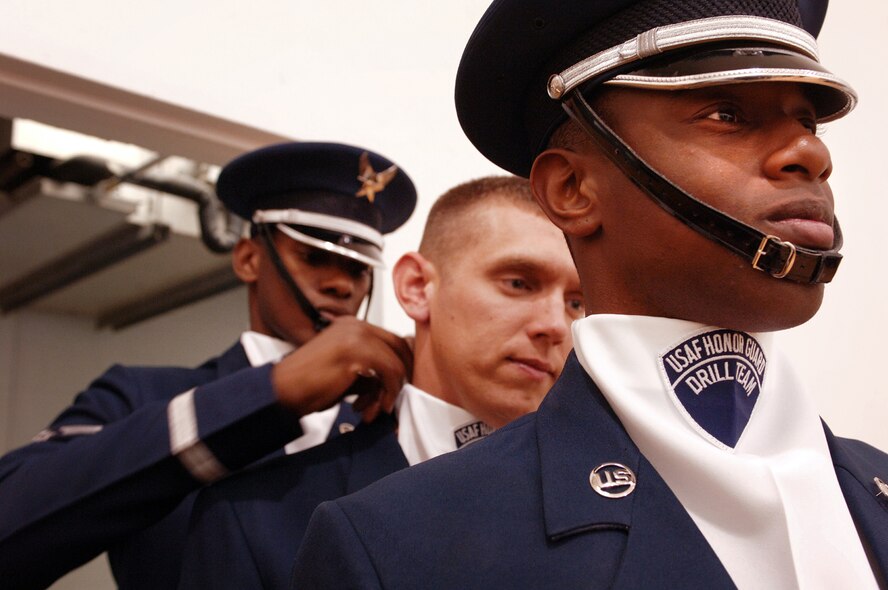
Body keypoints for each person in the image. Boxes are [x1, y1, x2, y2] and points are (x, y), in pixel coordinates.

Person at [291, 1, 888, 588]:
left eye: (807, 123)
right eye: (726, 113)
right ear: (573, 188)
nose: (813, 153)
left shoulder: (873, 485)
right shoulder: (397, 546)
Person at [0, 141, 417, 590]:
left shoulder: (392, 411)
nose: (341, 284)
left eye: (357, 269)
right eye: (314, 257)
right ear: (248, 259)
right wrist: (271, 392)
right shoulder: (139, 396)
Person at [175, 175, 583, 589]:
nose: (554, 324)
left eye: (576, 301)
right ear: (417, 288)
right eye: (518, 283)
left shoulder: (610, 491)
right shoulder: (254, 519)